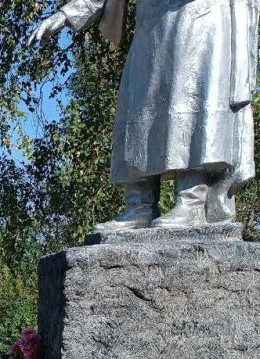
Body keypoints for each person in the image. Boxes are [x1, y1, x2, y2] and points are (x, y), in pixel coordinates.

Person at [30, 0, 258, 230]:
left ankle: (192, 201)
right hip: (150, 24)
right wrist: (67, 14)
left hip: (198, 14)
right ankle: (139, 205)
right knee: (139, 109)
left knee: (190, 103)